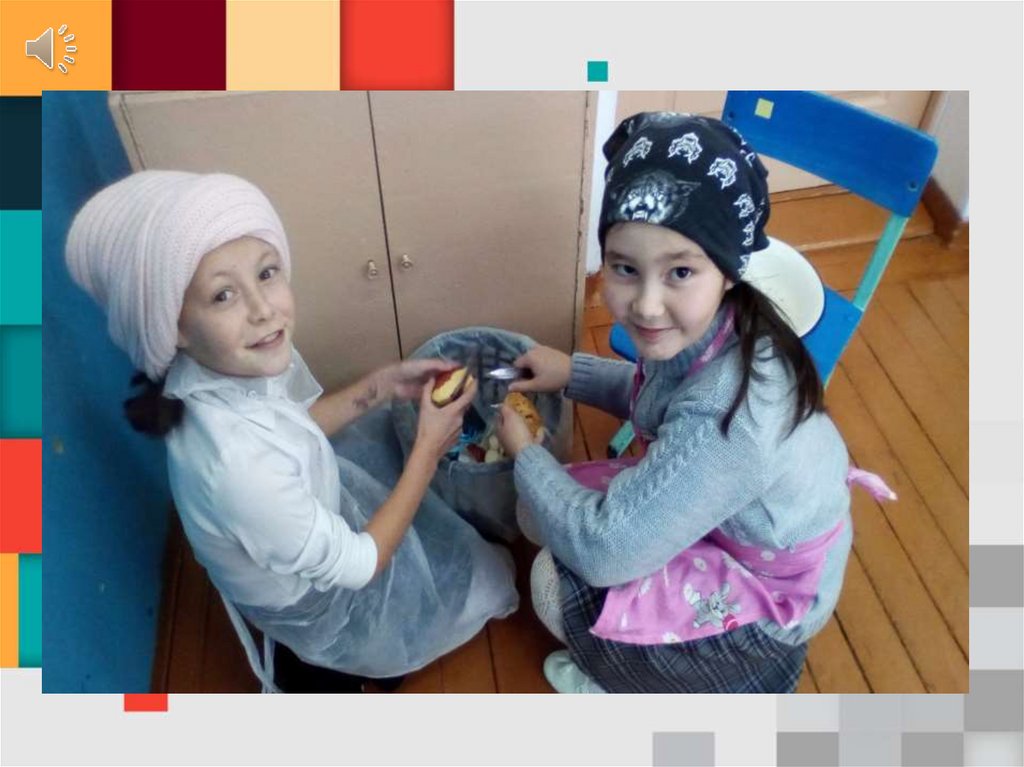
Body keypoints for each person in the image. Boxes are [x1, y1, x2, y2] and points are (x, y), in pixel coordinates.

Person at [66, 171, 518, 692]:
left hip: (285, 527)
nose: (262, 310)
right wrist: (427, 449)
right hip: (312, 595)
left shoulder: (224, 370)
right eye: (223, 295)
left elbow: (293, 427)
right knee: (425, 605)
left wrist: (379, 387)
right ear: (174, 327)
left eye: (266, 273)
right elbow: (361, 564)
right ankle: (339, 677)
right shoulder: (238, 467)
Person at [496, 113, 894, 693]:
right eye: (624, 268)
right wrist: (571, 372)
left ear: (728, 272)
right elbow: (662, 396)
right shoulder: (720, 324)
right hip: (732, 519)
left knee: (550, 580)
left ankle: (641, 685)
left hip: (767, 603)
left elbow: (605, 551)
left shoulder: (733, 420)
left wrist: (525, 453)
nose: (646, 305)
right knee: (538, 513)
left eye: (680, 271)